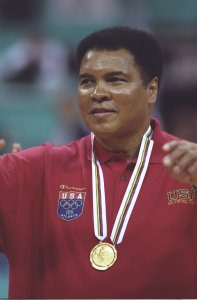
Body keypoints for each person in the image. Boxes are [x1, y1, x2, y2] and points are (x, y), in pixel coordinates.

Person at [0, 26, 197, 299]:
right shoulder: (37, 170)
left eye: (114, 80)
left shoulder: (189, 169)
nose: (97, 93)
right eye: (86, 81)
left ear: (151, 89)